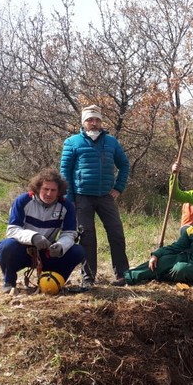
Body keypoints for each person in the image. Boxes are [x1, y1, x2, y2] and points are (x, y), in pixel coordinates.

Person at [60, 104, 130, 288]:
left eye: (97, 119)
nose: (93, 123)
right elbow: (64, 172)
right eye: (89, 120)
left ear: (101, 122)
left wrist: (118, 188)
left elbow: (124, 165)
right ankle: (88, 278)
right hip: (82, 197)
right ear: (83, 123)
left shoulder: (112, 142)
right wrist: (70, 199)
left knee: (116, 233)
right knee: (87, 237)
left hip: (106, 196)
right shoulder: (72, 142)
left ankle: (123, 275)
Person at [0, 169, 85, 293]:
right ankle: (9, 282)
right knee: (5, 246)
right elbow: (12, 230)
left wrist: (61, 246)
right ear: (38, 188)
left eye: (53, 190)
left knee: (77, 251)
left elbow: (69, 233)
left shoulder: (66, 206)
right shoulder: (23, 201)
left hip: (48, 252)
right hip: (23, 250)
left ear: (59, 192)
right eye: (45, 189)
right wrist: (34, 237)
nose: (49, 194)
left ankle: (54, 283)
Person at [124, 199, 193, 285]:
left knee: (180, 268)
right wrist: (156, 254)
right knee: (163, 261)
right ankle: (129, 277)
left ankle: (155, 276)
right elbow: (176, 247)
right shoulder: (191, 230)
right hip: (189, 261)